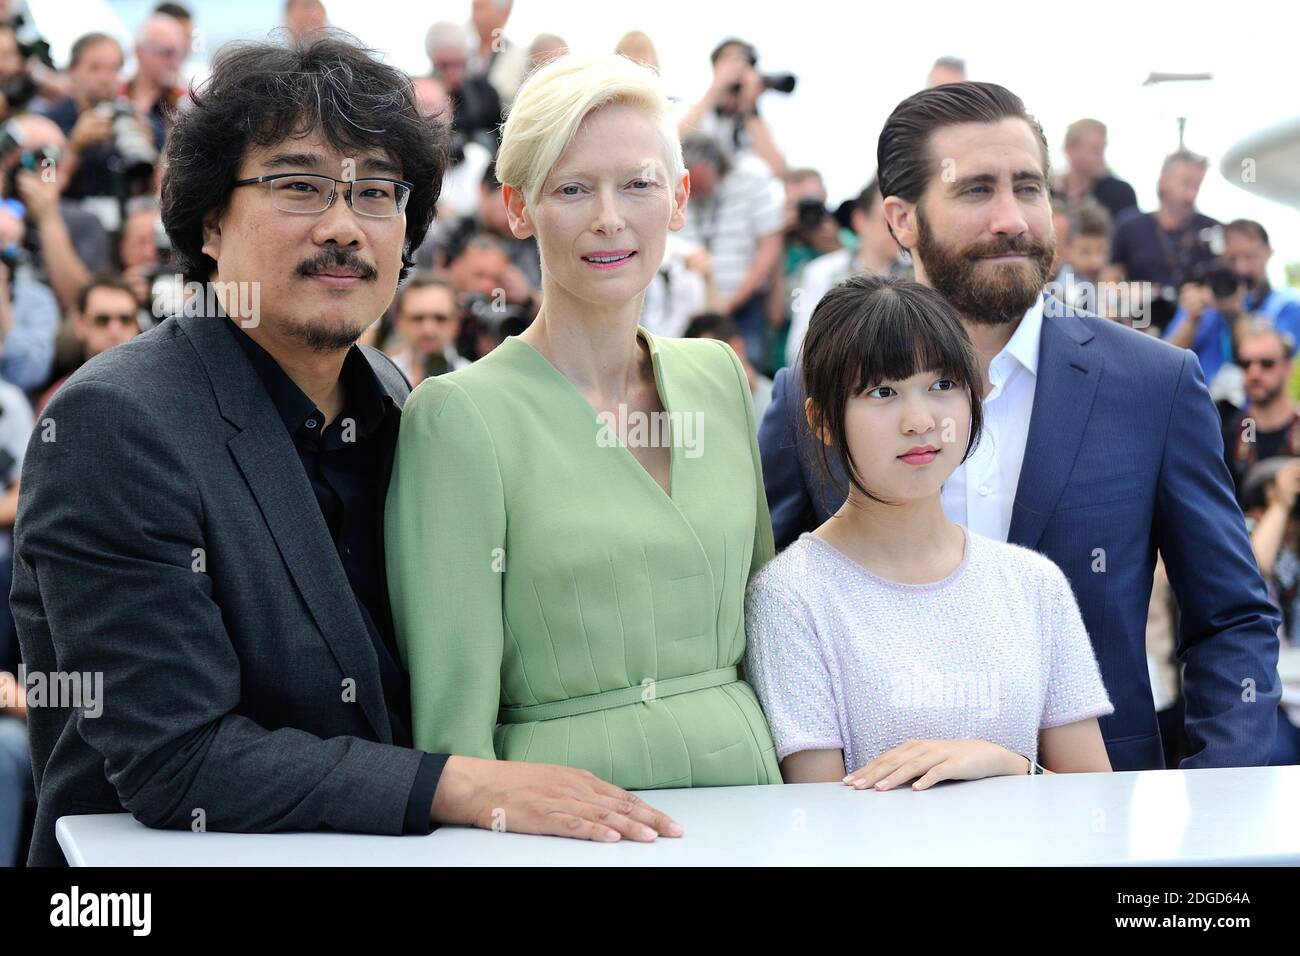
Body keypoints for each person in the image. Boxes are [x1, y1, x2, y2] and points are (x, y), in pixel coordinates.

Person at [14, 32, 679, 869]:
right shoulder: (116, 426)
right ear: (211, 220)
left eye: (375, 192)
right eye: (298, 185)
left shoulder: (409, 406)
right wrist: (462, 786)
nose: (343, 226)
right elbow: (177, 761)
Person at [758, 81, 1280, 771]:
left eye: (1029, 188)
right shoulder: (812, 401)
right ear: (902, 219)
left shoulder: (1154, 385)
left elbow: (1231, 617)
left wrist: (1220, 797)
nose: (1013, 219)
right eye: (977, 190)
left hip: (1100, 826)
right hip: (873, 826)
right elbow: (759, 611)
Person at [387, 54, 782, 794]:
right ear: (517, 205)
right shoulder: (457, 416)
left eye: (638, 183)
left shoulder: (719, 378)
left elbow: (769, 629)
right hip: (561, 817)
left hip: (754, 797)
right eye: (572, 188)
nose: (609, 217)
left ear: (679, 199)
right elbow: (452, 725)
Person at [747, 274, 1113, 786]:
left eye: (942, 385)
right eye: (883, 391)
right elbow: (817, 819)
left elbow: (1094, 802)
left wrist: (1007, 764)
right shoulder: (791, 596)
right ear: (823, 420)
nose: (920, 421)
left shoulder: (1033, 584)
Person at [1051, 118, 1138, 222]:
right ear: (1070, 149)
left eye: (1103, 149)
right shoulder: (1049, 192)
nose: (1101, 157)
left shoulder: (1119, 194)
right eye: (1094, 149)